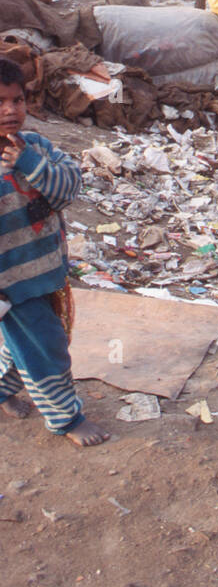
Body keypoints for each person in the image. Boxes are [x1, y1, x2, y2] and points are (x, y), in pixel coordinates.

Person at [0, 60, 108, 447]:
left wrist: (30, 162)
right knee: (47, 350)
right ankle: (66, 418)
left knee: (30, 345)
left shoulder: (39, 148)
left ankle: (2, 389)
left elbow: (68, 189)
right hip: (11, 287)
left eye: (17, 100)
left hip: (48, 271)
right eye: (0, 102)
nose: (10, 110)